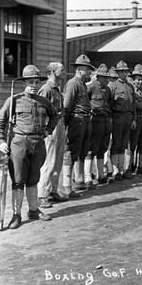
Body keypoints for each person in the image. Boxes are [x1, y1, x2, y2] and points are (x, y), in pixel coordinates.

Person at [0, 65, 59, 229]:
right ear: (24, 83)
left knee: (33, 178)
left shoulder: (44, 102)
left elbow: (55, 116)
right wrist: (0, 141)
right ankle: (16, 215)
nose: (34, 85)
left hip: (38, 144)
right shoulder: (13, 100)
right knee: (18, 180)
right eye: (30, 82)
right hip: (19, 144)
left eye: (36, 82)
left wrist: (48, 130)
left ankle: (34, 210)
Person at [62, 55, 94, 196]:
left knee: (81, 150)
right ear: (80, 69)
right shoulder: (73, 83)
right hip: (76, 120)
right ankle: (67, 186)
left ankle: (79, 181)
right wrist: (66, 123)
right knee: (70, 152)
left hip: (85, 121)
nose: (89, 73)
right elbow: (67, 106)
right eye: (87, 70)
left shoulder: (82, 84)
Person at [37, 62, 68, 208]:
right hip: (51, 127)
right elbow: (40, 109)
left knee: (58, 159)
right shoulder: (46, 89)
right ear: (53, 72)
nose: (64, 72)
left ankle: (53, 190)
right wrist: (46, 129)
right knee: (49, 160)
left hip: (59, 124)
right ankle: (42, 195)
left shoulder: (56, 89)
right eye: (62, 70)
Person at [84, 63, 113, 187]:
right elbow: (86, 102)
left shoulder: (108, 89)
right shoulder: (91, 87)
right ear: (98, 77)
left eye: (107, 77)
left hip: (105, 121)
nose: (106, 80)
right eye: (104, 77)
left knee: (103, 148)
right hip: (95, 121)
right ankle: (87, 178)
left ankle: (101, 175)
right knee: (91, 149)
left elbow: (109, 103)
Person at [109, 61, 136, 180]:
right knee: (116, 143)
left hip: (128, 117)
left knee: (125, 144)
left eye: (126, 71)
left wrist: (134, 119)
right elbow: (109, 104)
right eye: (121, 71)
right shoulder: (113, 86)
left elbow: (133, 104)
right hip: (117, 117)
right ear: (118, 73)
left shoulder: (130, 87)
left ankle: (122, 169)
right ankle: (115, 171)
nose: (124, 73)